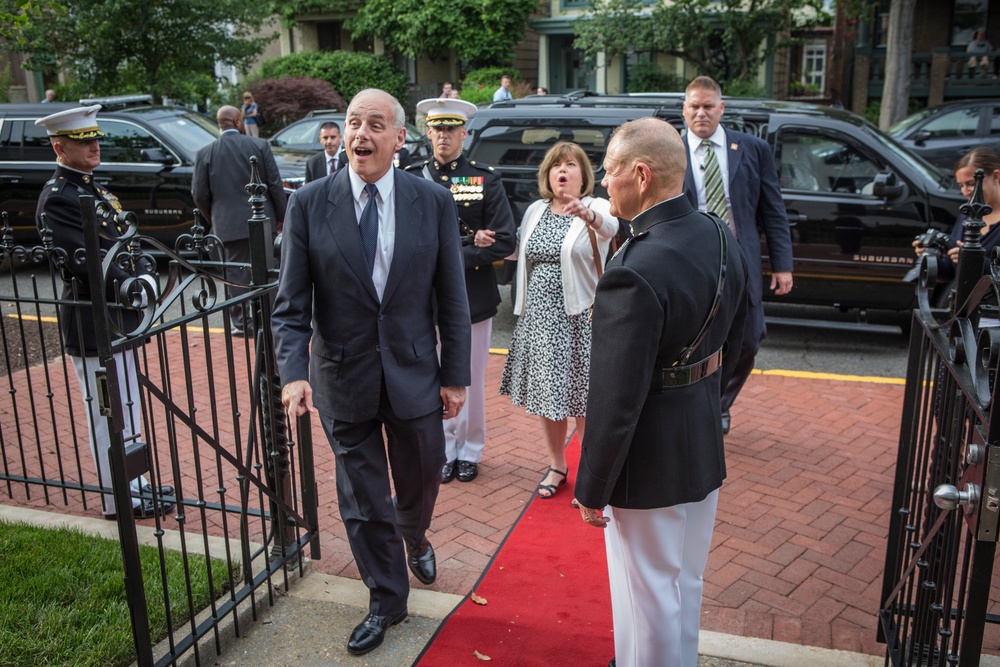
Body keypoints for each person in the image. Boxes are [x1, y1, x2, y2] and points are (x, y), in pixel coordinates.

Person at [271, 88, 471, 656]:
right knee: (363, 499)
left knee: (423, 476)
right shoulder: (310, 202)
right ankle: (386, 599)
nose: (360, 133)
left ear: (399, 138)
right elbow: (290, 306)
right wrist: (293, 372)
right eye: (353, 122)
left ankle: (413, 533)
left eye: (374, 124)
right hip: (341, 378)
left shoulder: (431, 200)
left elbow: (451, 298)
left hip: (414, 374)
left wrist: (454, 376)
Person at [575, 116, 749, 667]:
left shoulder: (635, 267)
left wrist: (593, 483)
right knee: (685, 585)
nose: (604, 183)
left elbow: (614, 394)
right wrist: (712, 402)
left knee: (647, 594)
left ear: (641, 174)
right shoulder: (717, 232)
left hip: (647, 454)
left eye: (608, 172)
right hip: (700, 430)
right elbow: (742, 338)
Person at [34, 104, 175, 520]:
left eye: (95, 138)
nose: (95, 146)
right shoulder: (59, 198)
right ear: (60, 147)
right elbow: (84, 261)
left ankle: (136, 483)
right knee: (106, 412)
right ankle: (120, 498)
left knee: (127, 405)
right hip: (92, 320)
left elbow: (124, 242)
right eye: (84, 141)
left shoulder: (93, 189)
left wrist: (143, 275)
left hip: (119, 316)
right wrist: (128, 284)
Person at [499, 141, 616, 499]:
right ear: (548, 175)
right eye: (555, 165)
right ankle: (557, 466)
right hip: (540, 320)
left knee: (583, 402)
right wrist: (494, 241)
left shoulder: (597, 206)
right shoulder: (535, 209)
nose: (562, 170)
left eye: (570, 164)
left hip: (580, 318)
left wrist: (587, 215)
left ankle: (592, 475)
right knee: (549, 399)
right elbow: (521, 251)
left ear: (584, 174)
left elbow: (611, 229)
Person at [409, 97, 516, 484]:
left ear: (464, 135)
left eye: (451, 129)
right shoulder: (410, 176)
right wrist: (471, 245)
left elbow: (504, 241)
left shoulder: (484, 179)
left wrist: (451, 253)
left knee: (466, 376)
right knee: (427, 377)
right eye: (437, 129)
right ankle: (441, 451)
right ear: (428, 132)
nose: (443, 136)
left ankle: (469, 449)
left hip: (471, 296)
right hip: (421, 299)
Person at [681, 75, 793, 435]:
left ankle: (719, 403)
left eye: (708, 106)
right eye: (694, 106)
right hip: (690, 261)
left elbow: (772, 210)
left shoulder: (751, 148)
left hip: (740, 260)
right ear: (684, 110)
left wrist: (782, 265)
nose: (701, 113)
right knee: (689, 341)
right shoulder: (669, 149)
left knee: (748, 339)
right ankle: (692, 407)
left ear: (721, 108)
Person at [192, 105, 286, 337]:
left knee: (235, 274)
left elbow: (199, 194)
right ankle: (271, 317)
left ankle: (242, 322)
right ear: (237, 122)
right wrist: (282, 217)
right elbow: (274, 183)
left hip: (226, 224)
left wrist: (213, 217)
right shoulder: (259, 145)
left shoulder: (205, 153)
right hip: (263, 220)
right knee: (268, 270)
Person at [915, 147, 1000, 280]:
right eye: (961, 185)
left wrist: (974, 260)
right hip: (963, 299)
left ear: (996, 176)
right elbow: (951, 272)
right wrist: (931, 257)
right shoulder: (966, 216)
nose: (965, 191)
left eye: (971, 184)